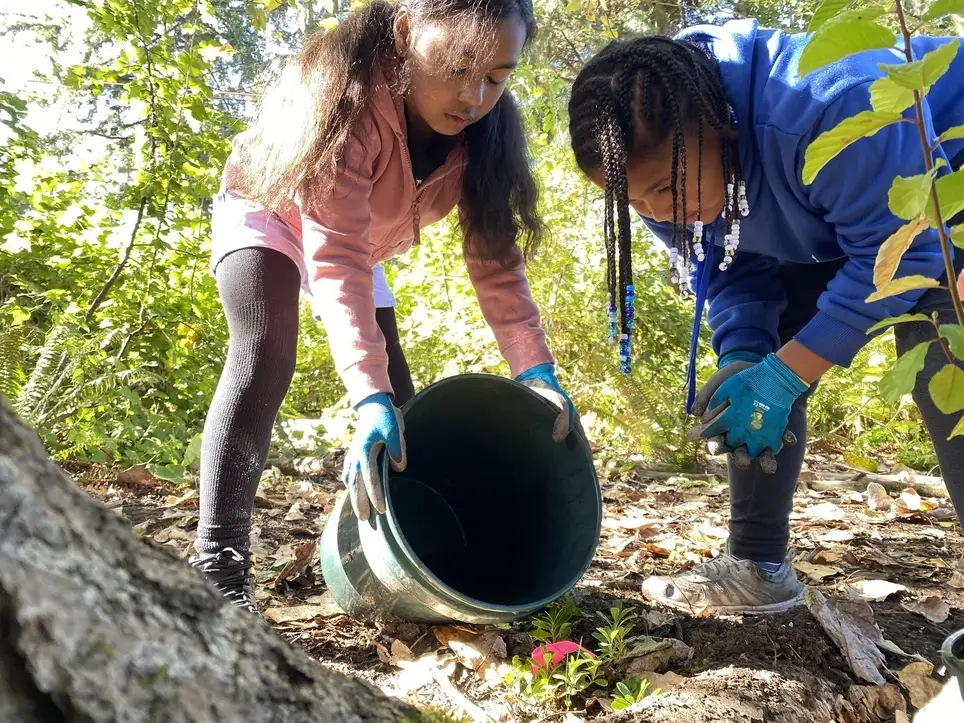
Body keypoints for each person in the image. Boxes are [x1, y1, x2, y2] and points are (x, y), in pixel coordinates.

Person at [192, 0, 579, 612]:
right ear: (405, 33)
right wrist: (362, 395)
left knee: (403, 407)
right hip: (271, 208)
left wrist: (534, 371)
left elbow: (497, 265)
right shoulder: (348, 101)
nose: (474, 94)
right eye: (455, 66)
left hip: (357, 243)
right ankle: (219, 562)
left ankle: (419, 562)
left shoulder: (489, 133)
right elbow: (334, 256)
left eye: (497, 77)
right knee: (266, 352)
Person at [568, 19, 964, 615]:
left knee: (943, 351)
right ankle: (758, 568)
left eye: (663, 192)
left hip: (939, 198)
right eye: (635, 200)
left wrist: (788, 374)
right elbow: (727, 266)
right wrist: (746, 356)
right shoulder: (664, 175)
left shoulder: (825, 104)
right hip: (841, 219)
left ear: (715, 127)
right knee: (760, 359)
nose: (656, 213)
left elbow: (908, 249)